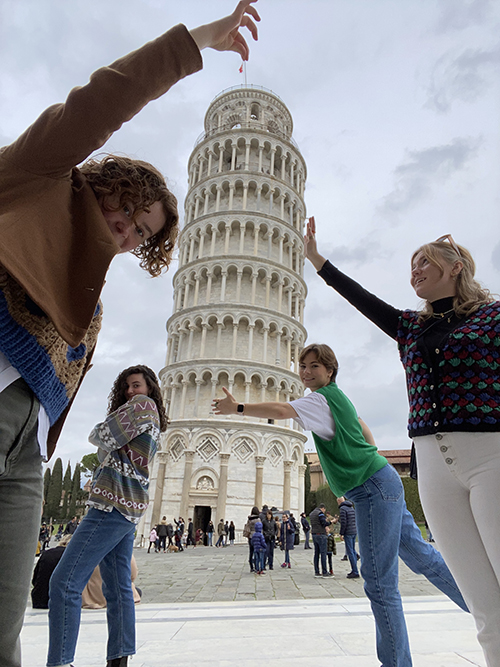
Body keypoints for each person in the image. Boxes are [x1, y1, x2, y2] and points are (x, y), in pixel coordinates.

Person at [0, 3, 260, 666]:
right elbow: (102, 99)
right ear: (113, 182)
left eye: (142, 233)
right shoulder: (38, 177)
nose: (129, 231)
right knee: (62, 585)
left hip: (22, 448)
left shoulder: (93, 308)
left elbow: (79, 418)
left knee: (5, 623)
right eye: (129, 211)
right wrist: (196, 42)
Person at [305, 219, 499, 665]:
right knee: (484, 604)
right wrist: (318, 262)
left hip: (490, 452)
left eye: (423, 262)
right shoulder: (410, 326)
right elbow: (362, 300)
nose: (414, 270)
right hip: (431, 463)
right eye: (410, 265)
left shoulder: (494, 315)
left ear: (454, 267)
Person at [213, 343, 468, 667]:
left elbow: (281, 412)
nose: (306, 372)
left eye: (314, 366)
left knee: (379, 582)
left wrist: (238, 408)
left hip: (372, 488)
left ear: (329, 370)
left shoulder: (319, 399)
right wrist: (369, 462)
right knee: (421, 558)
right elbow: (362, 427)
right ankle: (488, 610)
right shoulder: (338, 397)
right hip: (378, 482)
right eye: (303, 366)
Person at [47, 365, 168, 667]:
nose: (130, 391)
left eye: (136, 385)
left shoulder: (142, 407)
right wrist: (109, 440)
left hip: (111, 503)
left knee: (64, 582)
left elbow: (99, 435)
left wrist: (107, 436)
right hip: (130, 506)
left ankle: (60, 662)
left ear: (150, 388)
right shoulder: (152, 416)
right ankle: (119, 659)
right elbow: (107, 442)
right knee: (118, 587)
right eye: (126, 386)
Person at [31, 535, 72, 609]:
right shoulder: (70, 556)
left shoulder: (46, 553)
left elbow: (35, 578)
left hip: (39, 597)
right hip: (59, 599)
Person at [337, 497, 359, 579]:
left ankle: (355, 571)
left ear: (339, 501)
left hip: (348, 532)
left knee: (350, 552)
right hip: (354, 531)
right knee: (352, 550)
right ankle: (355, 566)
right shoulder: (351, 507)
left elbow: (344, 522)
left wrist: (341, 533)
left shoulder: (343, 509)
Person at [310, 504, 332, 578]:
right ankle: (324, 571)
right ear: (323, 508)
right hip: (321, 534)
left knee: (316, 553)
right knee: (323, 553)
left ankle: (317, 571)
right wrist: (331, 522)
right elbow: (324, 523)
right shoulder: (320, 513)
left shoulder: (312, 513)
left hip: (314, 534)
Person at [243, 507, 261, 572]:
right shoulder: (258, 519)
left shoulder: (249, 519)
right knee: (256, 552)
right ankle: (256, 566)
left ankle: (251, 567)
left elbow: (247, 528)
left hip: (250, 536)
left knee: (251, 552)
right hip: (256, 536)